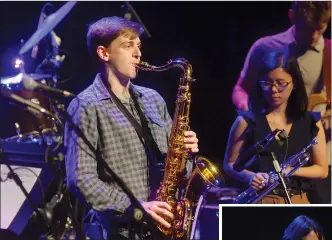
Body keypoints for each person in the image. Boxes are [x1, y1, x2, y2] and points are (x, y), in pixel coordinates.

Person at [64, 16, 199, 239]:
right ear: (103, 53)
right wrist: (136, 208)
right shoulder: (86, 106)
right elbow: (80, 180)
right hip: (126, 231)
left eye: (138, 45)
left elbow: (178, 171)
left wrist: (186, 154)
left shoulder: (153, 99)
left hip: (167, 224)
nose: (138, 53)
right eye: (128, 45)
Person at [232, 1, 331, 204]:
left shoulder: (329, 51)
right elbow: (241, 88)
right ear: (292, 16)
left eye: (320, 29)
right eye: (307, 28)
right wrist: (251, 117)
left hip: (317, 149)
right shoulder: (266, 47)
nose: (314, 37)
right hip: (271, 141)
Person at [223, 52, 328, 204]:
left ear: (294, 84)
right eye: (267, 83)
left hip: (300, 199)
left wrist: (287, 171)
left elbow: (322, 169)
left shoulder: (311, 122)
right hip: (260, 199)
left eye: (281, 83)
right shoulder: (246, 121)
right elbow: (230, 164)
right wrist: (250, 176)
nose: (273, 90)